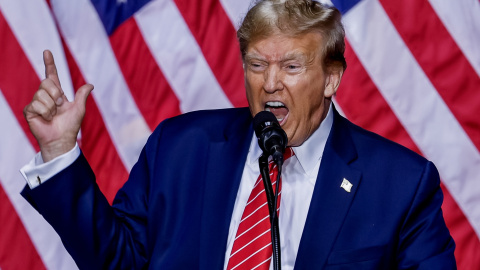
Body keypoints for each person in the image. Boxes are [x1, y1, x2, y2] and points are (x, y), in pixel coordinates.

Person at [21, 0, 456, 269]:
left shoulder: (400, 185)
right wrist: (59, 150)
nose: (269, 84)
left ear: (330, 78)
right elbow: (117, 263)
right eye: (256, 64)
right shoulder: (180, 149)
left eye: (291, 66)